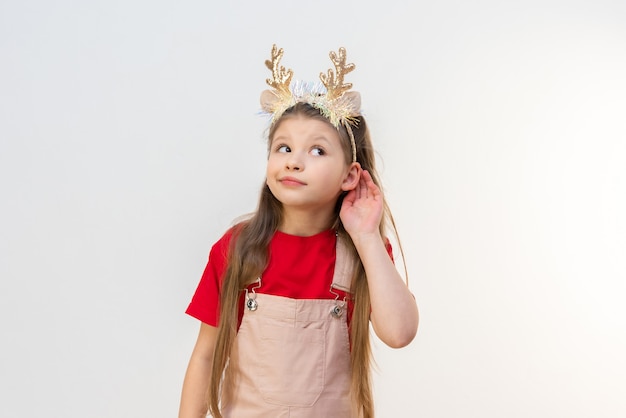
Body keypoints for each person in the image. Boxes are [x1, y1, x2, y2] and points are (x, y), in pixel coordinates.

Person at [178, 45, 419, 418]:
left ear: (349, 175)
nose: (294, 160)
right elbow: (206, 356)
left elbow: (400, 333)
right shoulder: (237, 249)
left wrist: (368, 237)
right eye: (284, 147)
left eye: (317, 151)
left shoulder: (361, 254)